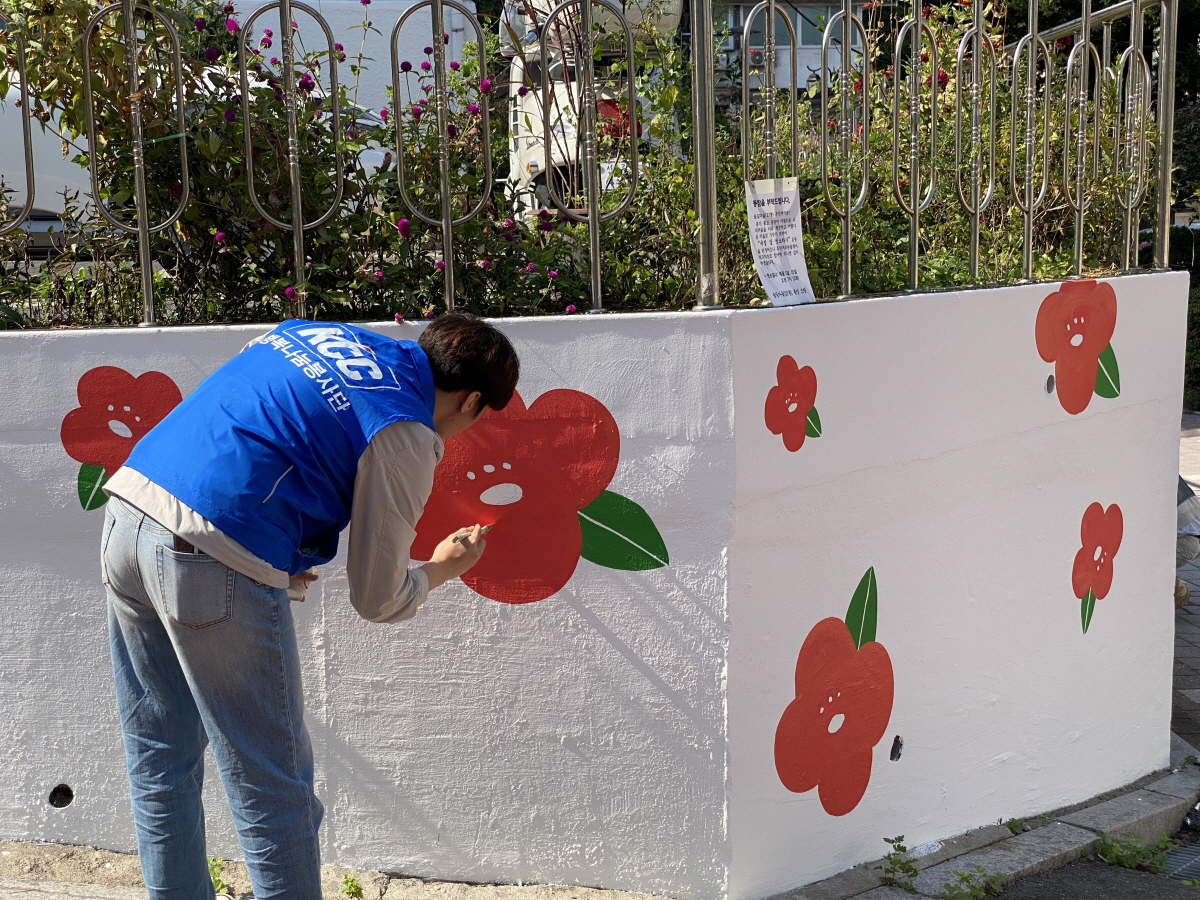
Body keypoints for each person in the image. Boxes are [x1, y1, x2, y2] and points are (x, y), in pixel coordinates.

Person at [99, 313, 519, 900]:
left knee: (160, 753)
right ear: (473, 401)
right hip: (211, 551)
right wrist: (442, 568)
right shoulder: (404, 430)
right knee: (273, 787)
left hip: (128, 512)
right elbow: (377, 598)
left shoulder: (315, 333)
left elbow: (261, 423)